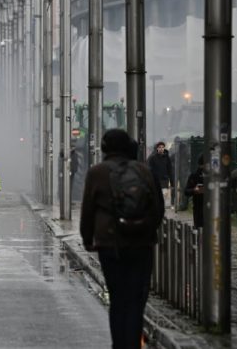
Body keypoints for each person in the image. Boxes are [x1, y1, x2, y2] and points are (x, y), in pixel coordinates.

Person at [80, 129, 165, 349]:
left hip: (110, 245)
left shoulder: (96, 173)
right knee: (136, 300)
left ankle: (119, 344)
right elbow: (157, 209)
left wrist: (88, 239)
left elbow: (87, 211)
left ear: (105, 148)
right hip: (141, 244)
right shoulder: (144, 171)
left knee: (118, 299)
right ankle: (133, 343)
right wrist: (145, 230)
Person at [148, 141, 174, 209]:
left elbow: (170, 170)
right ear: (157, 148)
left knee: (163, 195)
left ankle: (161, 211)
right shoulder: (152, 158)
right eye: (159, 147)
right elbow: (149, 169)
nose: (161, 148)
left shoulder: (167, 158)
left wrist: (172, 182)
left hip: (164, 180)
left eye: (162, 147)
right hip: (155, 180)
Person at [184, 154, 206, 229]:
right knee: (200, 230)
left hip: (211, 209)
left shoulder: (213, 176)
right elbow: (186, 191)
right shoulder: (194, 176)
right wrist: (194, 190)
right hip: (198, 207)